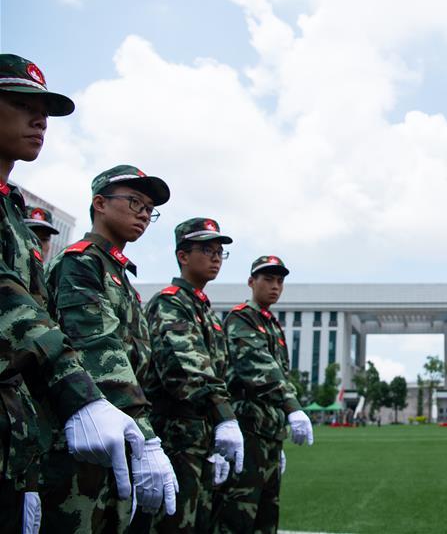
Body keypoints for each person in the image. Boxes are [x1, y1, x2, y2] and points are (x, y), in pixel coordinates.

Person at [0, 54, 145, 534]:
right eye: (23, 103)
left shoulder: (12, 212)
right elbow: (16, 309)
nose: (39, 120)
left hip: (23, 440)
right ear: (100, 204)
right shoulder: (80, 261)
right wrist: (82, 398)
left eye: (45, 110)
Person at [42, 165, 179, 531]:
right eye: (135, 201)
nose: (144, 213)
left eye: (150, 208)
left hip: (115, 435)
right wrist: (148, 438)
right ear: (100, 204)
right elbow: (99, 353)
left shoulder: (117, 274)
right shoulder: (80, 263)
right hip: (78, 442)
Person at [139, 217, 244, 533]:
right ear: (183, 256)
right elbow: (186, 371)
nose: (215, 257)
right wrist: (224, 416)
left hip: (199, 438)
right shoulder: (171, 303)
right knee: (174, 524)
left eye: (219, 252)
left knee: (200, 522)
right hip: (176, 437)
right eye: (206, 249)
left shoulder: (203, 308)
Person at [211, 255, 313, 534]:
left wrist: (278, 432)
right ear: (251, 282)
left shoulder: (271, 324)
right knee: (238, 515)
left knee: (267, 516)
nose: (275, 286)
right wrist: (293, 406)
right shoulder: (242, 317)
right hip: (247, 432)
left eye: (279, 281)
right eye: (267, 279)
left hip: (268, 434)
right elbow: (259, 368)